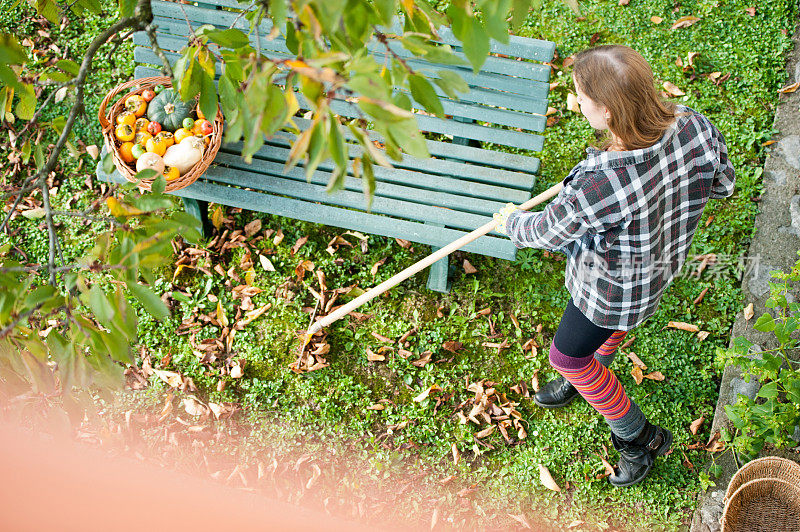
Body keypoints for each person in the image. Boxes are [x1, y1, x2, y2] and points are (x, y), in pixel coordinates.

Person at [494, 45, 736, 487]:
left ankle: (638, 438)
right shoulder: (694, 125)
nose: (576, 104)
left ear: (606, 110)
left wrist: (509, 219)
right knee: (598, 347)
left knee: (566, 356)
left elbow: (543, 234)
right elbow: (724, 184)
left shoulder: (599, 182)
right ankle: (593, 374)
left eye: (581, 99)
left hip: (608, 290)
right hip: (659, 270)